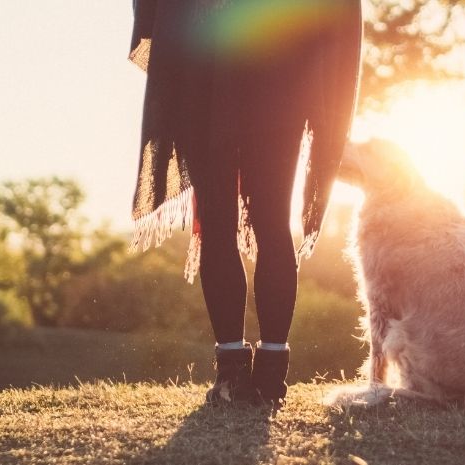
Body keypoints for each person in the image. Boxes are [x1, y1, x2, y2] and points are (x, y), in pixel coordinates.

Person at [128, 0, 361, 406]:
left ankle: (233, 376)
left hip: (210, 63)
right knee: (270, 222)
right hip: (279, 71)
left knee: (221, 223)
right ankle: (269, 377)